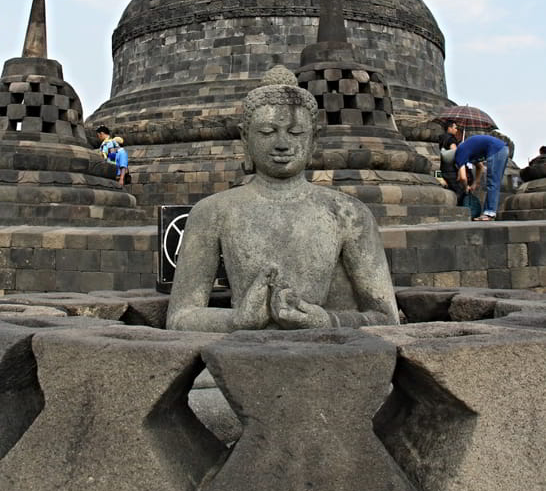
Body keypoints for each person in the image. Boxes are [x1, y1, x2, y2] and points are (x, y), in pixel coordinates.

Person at [166, 67, 399, 333]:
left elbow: (385, 317)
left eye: (296, 132)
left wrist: (327, 321)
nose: (282, 144)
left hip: (328, 358)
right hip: (237, 360)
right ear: (246, 138)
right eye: (267, 132)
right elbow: (180, 317)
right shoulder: (213, 212)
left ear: (313, 140)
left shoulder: (348, 214)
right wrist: (237, 321)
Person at [454, 134, 509, 222]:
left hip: (496, 150)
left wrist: (466, 187)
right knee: (495, 182)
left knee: (493, 182)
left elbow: (463, 177)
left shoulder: (459, 154)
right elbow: (480, 167)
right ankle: (489, 212)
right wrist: (475, 183)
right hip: (502, 148)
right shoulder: (467, 152)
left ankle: (489, 213)